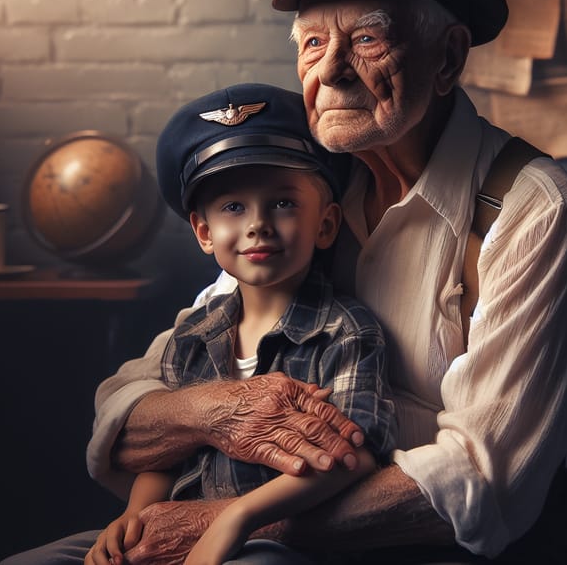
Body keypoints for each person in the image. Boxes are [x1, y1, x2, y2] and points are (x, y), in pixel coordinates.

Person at [0, 0, 567, 565]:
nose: (332, 71)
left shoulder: (528, 207)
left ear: (448, 57)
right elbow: (132, 405)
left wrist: (228, 522)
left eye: (367, 38)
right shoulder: (302, 191)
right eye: (313, 43)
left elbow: (486, 485)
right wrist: (221, 410)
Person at [84, 83, 395, 565]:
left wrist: (236, 518)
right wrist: (134, 517)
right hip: (176, 530)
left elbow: (354, 455)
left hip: (275, 541)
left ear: (326, 224)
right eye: (233, 207)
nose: (258, 224)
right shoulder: (193, 336)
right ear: (204, 232)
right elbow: (169, 455)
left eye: (284, 203)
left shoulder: (346, 331)